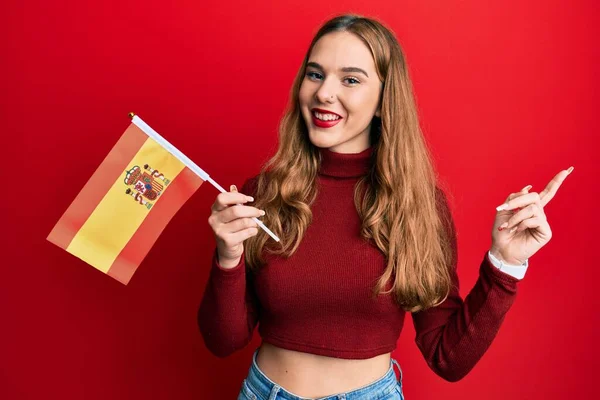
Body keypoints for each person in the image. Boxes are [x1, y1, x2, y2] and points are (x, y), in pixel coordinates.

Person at [198, 14, 573, 400]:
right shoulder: (262, 194)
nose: (324, 93)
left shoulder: (418, 206)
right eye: (315, 74)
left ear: (382, 100)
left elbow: (448, 357)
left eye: (350, 79)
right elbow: (223, 341)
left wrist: (505, 264)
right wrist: (228, 257)